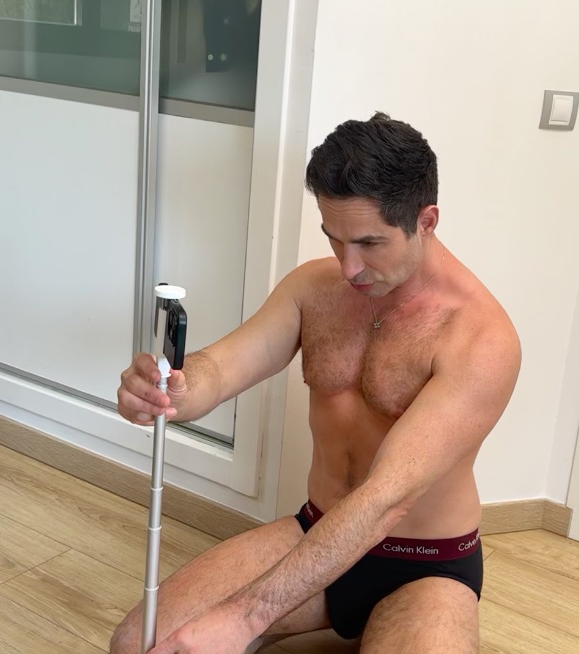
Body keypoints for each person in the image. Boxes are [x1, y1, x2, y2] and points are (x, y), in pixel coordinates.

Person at [110, 112, 521, 654]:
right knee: (138, 644)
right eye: (335, 239)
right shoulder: (313, 288)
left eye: (370, 243)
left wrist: (244, 617)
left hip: (424, 565)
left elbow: (387, 500)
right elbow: (223, 367)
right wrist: (171, 392)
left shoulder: (481, 337)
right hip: (316, 533)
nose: (349, 267)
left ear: (426, 221)